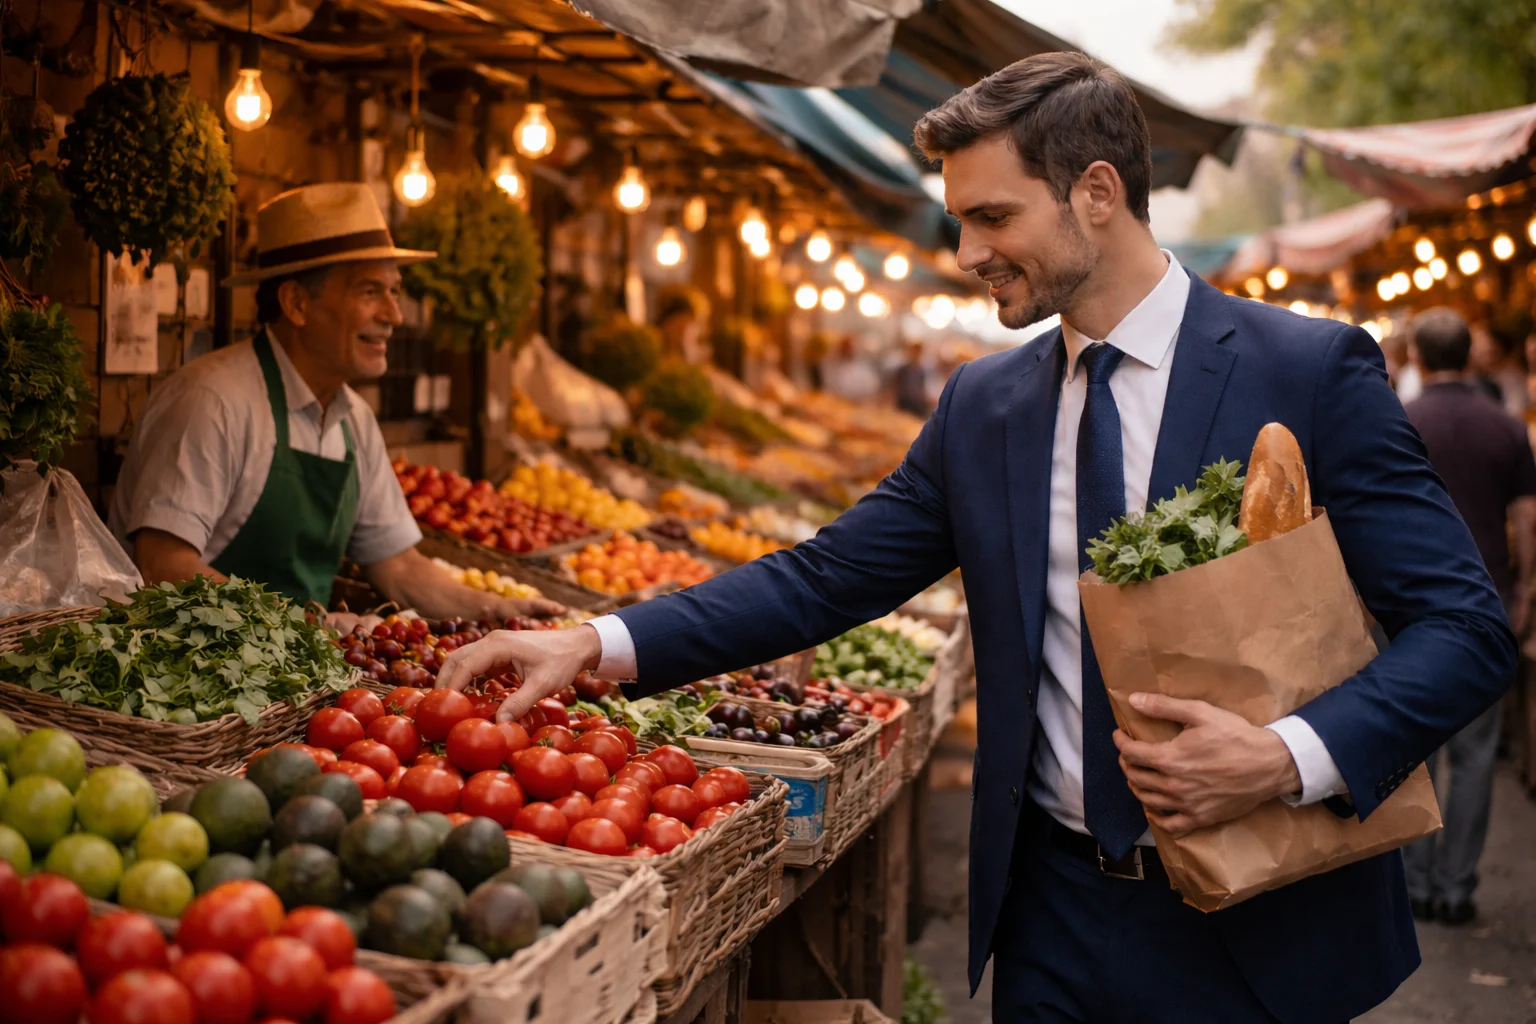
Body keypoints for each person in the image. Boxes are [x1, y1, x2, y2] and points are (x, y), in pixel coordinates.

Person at [434, 54, 1513, 1024]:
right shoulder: (983, 404)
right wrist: (597, 645)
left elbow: (1464, 629)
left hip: (1260, 929)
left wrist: (1284, 757)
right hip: (1046, 921)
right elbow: (827, 576)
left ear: (1097, 192)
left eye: (992, 218)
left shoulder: (1309, 370)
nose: (965, 253)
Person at [110, 183, 562, 621]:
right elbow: (165, 567)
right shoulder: (213, 403)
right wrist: (308, 625)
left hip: (292, 677)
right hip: (182, 673)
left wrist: (496, 609)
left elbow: (399, 567)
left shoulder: (355, 421)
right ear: (296, 303)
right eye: (370, 292)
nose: (393, 316)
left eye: (395, 291)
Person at [1400, 307, 1536, 926]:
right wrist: (1526, 592)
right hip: (1489, 607)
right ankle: (1457, 887)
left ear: (1419, 359)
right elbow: (1528, 521)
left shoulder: (1399, 420)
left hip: (1407, 611)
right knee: (1477, 757)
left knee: (1412, 751)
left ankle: (1415, 880)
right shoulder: (1507, 427)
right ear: (1468, 357)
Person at [893, 340, 933, 417]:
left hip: (917, 404)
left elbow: (921, 387)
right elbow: (895, 386)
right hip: (904, 402)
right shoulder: (903, 369)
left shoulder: (921, 371)